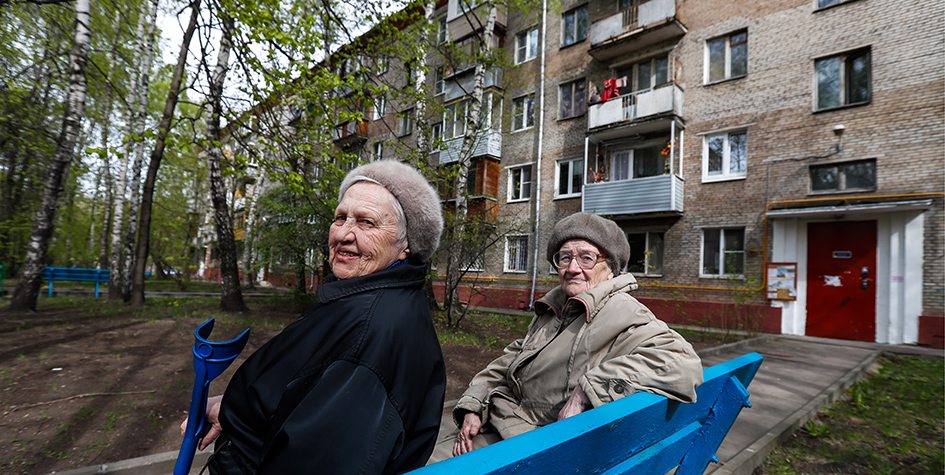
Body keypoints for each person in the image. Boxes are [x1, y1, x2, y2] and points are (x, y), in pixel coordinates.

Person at [182, 160, 447, 474]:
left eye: (367, 223)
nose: (344, 234)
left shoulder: (372, 332)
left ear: (406, 245)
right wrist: (234, 409)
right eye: (340, 217)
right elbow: (306, 386)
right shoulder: (360, 297)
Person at [428, 212, 703, 462]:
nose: (572, 268)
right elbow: (512, 358)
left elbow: (683, 363)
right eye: (564, 257)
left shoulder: (621, 311)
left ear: (610, 267)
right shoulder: (557, 308)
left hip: (539, 445)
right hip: (508, 424)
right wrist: (474, 403)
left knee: (430, 463)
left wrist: (588, 388)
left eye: (586, 257)